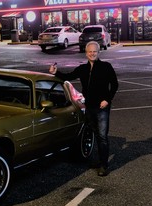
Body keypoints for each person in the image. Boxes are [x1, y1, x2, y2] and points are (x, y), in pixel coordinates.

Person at [49, 41, 118, 176]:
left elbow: (114, 84)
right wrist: (56, 72)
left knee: (103, 136)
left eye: (95, 51)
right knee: (96, 134)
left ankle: (104, 165)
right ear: (86, 53)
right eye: (90, 51)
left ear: (99, 52)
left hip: (102, 106)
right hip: (89, 106)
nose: (92, 54)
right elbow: (68, 77)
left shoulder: (106, 67)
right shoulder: (82, 69)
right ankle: (100, 160)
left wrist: (107, 99)